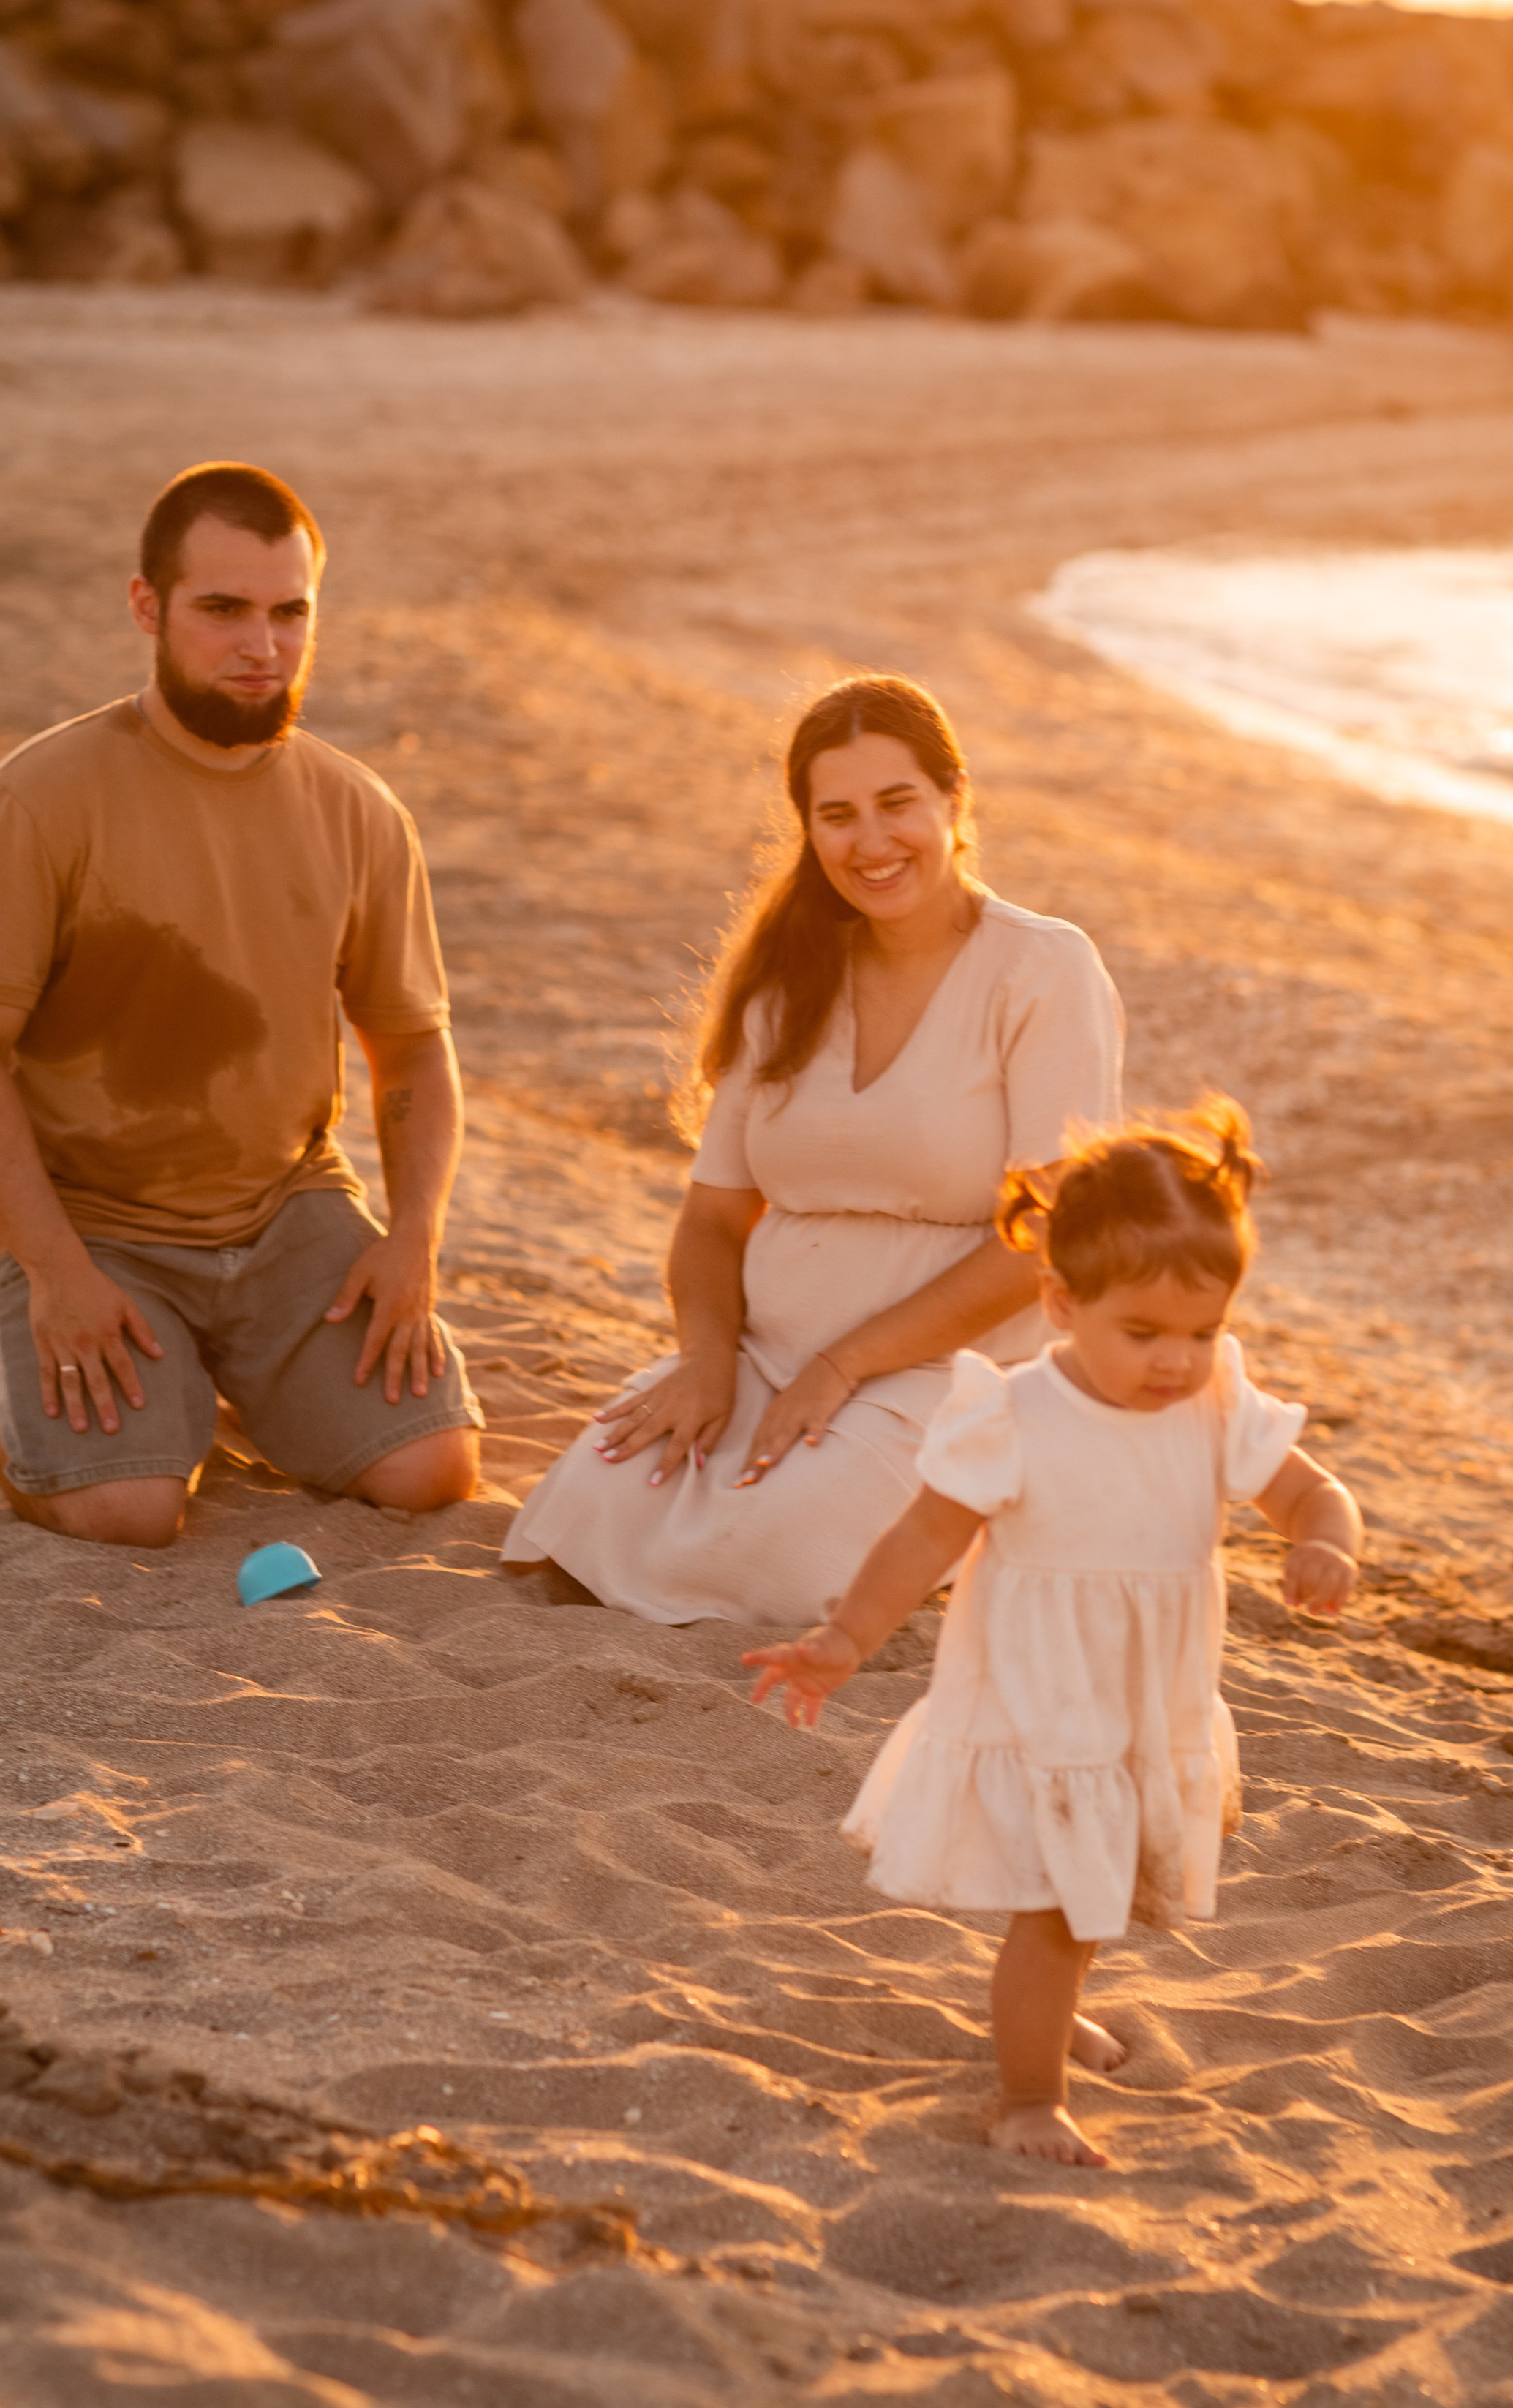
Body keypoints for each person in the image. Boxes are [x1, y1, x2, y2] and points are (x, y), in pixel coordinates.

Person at [746, 1103, 1363, 2168]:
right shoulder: (1020, 1414)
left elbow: (1310, 1488)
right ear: (1061, 1302)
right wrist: (847, 1637)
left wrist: (1325, 1543)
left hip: (1141, 1699)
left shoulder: (1215, 1400)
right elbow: (924, 1533)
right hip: (1043, 1699)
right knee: (1060, 1911)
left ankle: (1042, 2005)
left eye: (1202, 1331)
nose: (1177, 1360)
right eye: (1144, 1333)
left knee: (1087, 1892)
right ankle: (1029, 2097)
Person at [0, 461, 482, 1546]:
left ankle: (227, 1373)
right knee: (125, 1509)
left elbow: (412, 1052)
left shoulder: (359, 810)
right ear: (148, 607)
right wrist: (55, 1273)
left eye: (289, 612)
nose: (261, 645)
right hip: (96, 1224)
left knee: (430, 1472)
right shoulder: (36, 799)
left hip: (285, 1211)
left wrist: (411, 1240)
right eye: (223, 610)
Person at [502, 673, 1123, 1626]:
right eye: (837, 815)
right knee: (588, 1506)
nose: (870, 843)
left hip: (942, 1380)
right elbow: (713, 1218)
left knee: (770, 1555)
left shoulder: (1043, 970)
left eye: (896, 804)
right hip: (761, 1363)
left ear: (955, 801)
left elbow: (1040, 1241)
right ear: (809, 829)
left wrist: (845, 1366)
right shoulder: (786, 983)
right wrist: (706, 1360)